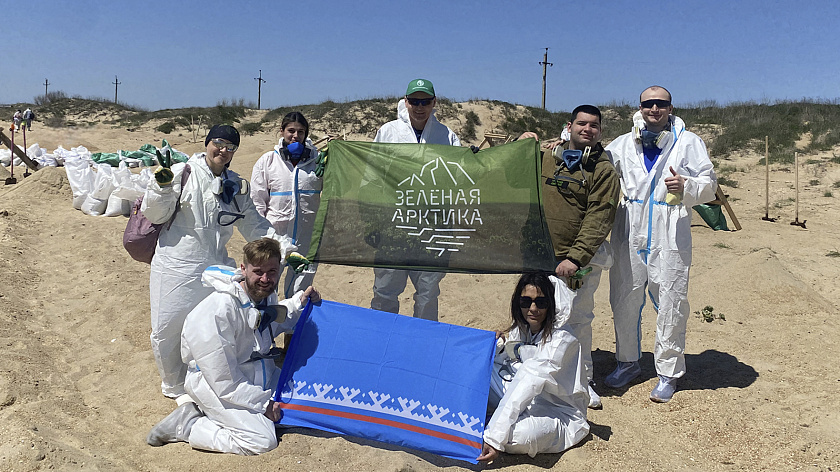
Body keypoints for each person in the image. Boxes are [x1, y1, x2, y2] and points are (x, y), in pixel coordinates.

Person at [141, 124, 305, 401]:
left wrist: (286, 249)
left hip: (214, 266)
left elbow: (255, 225)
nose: (223, 150)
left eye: (231, 147)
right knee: (168, 328)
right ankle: (174, 387)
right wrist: (163, 186)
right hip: (176, 266)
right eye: (218, 143)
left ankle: (201, 381)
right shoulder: (183, 174)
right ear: (207, 143)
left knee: (212, 328)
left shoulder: (237, 186)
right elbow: (155, 215)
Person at [145, 238, 321, 455]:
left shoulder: (262, 294)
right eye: (258, 271)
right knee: (262, 440)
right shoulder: (217, 311)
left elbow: (269, 323)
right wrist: (262, 403)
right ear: (243, 268)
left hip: (253, 375)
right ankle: (189, 425)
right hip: (215, 384)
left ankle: (221, 416)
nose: (265, 279)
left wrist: (299, 303)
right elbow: (223, 381)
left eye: (272, 272)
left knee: (306, 401)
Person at [604, 86, 717, 402]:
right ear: (639, 107)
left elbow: (710, 186)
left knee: (671, 301)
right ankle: (627, 362)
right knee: (623, 297)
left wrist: (688, 185)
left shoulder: (689, 142)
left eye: (661, 104)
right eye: (648, 103)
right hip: (628, 228)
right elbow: (597, 167)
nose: (654, 108)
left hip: (669, 231)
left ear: (670, 107)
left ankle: (668, 373)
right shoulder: (622, 144)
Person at [517, 105, 620, 409]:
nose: (587, 129)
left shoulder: (603, 170)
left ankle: (583, 382)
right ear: (569, 126)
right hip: (540, 256)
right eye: (581, 124)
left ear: (600, 131)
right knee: (533, 316)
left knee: (577, 320)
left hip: (577, 263)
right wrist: (521, 143)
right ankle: (531, 375)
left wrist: (575, 258)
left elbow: (600, 217)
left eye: (593, 126)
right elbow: (509, 170)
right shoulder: (547, 156)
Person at [369, 78, 460, 321]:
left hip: (432, 230)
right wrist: (371, 223)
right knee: (385, 291)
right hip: (393, 227)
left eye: (426, 101)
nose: (420, 107)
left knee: (428, 293)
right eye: (415, 101)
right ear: (406, 102)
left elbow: (459, 181)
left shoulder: (447, 136)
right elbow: (371, 179)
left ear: (434, 103)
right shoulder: (388, 132)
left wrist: (468, 161)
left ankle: (423, 347)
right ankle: (383, 340)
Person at [478, 272, 589, 462]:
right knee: (481, 370)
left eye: (541, 302)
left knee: (517, 436)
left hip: (557, 413)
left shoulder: (561, 340)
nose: (533, 308)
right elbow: (505, 359)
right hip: (526, 400)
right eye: (525, 301)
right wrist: (494, 345)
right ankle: (492, 422)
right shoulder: (525, 327)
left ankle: (491, 426)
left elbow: (529, 381)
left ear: (551, 305)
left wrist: (495, 437)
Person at [251, 111, 321, 300]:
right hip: (275, 236)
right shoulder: (268, 161)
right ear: (282, 131)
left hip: (307, 237)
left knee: (301, 288)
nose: (295, 136)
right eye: (291, 130)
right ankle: (266, 326)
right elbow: (257, 202)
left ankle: (292, 328)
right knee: (266, 284)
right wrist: (261, 236)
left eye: (301, 131)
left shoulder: (317, 162)